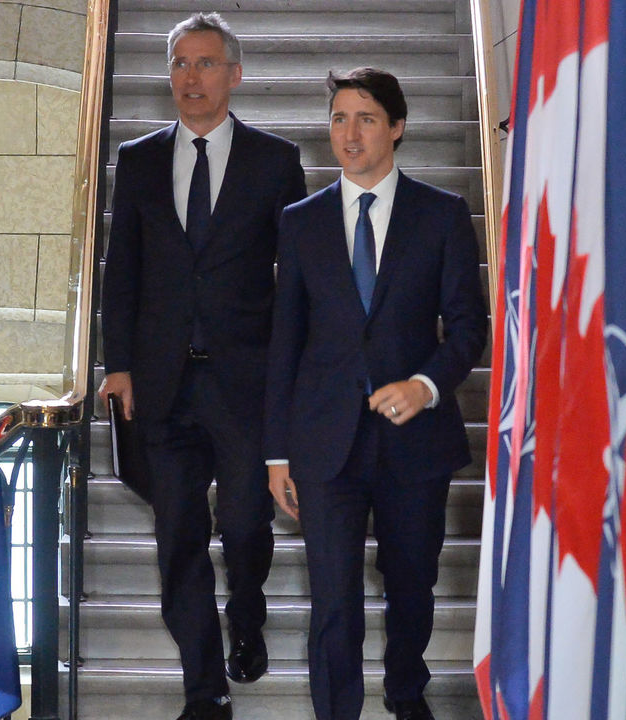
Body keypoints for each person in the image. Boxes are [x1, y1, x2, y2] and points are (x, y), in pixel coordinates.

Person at [98, 12, 307, 720]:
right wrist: (118, 361)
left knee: (246, 521)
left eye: (206, 63)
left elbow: (298, 279)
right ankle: (205, 686)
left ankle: (246, 610)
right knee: (178, 533)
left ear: (235, 75)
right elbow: (121, 267)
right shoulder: (140, 160)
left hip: (245, 382)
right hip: (160, 383)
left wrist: (297, 372)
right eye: (180, 63)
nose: (191, 77)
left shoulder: (276, 162)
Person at [263, 68, 487, 720]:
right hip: (322, 442)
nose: (349, 132)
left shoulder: (441, 214)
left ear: (396, 126)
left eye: (364, 117)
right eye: (338, 118)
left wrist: (424, 386)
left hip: (415, 443)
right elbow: (286, 343)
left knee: (412, 586)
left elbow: (470, 326)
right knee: (333, 598)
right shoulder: (299, 223)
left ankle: (405, 696)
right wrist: (277, 453)